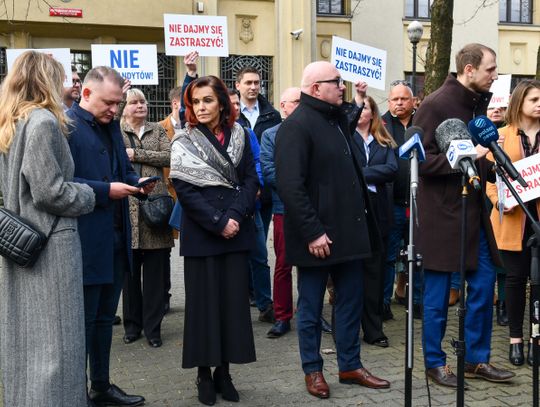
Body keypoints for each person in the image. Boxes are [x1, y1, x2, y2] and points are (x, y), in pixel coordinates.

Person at [275, 61, 390, 400]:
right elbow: (290, 185)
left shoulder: (336, 118)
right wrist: (312, 232)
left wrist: (357, 100)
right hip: (317, 239)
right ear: (315, 89)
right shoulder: (296, 126)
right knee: (310, 308)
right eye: (336, 82)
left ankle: (350, 365)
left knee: (350, 303)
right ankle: (313, 370)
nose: (342, 86)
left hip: (349, 235)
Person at [414, 43, 515, 387]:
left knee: (485, 286)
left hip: (475, 216)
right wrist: (468, 156)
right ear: (469, 69)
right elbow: (421, 162)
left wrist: (490, 165)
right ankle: (434, 362)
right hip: (443, 218)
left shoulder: (478, 107)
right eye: (490, 69)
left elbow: (475, 161)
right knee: (438, 297)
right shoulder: (434, 105)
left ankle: (476, 359)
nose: (495, 76)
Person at [0, 51, 95, 407]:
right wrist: (87, 194)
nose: (67, 84)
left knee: (27, 341)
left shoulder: (9, 123)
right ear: (46, 80)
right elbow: (49, 191)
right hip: (51, 245)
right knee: (59, 345)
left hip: (19, 243)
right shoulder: (42, 122)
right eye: (61, 77)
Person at [170, 75, 259, 406]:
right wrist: (219, 222)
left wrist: (235, 216)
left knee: (232, 307)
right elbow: (186, 190)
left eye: (207, 100)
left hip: (235, 232)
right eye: (195, 102)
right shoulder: (184, 141)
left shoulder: (241, 135)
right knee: (203, 309)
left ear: (222, 102)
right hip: (204, 235)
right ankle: (203, 374)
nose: (201, 107)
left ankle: (225, 371)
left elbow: (251, 179)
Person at [68, 66, 148, 406]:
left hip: (117, 241)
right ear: (86, 94)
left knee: (104, 322)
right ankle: (76, 392)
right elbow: (59, 185)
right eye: (109, 103)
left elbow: (124, 171)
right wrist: (106, 190)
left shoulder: (111, 127)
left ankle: (101, 386)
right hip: (85, 243)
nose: (114, 110)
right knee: (83, 324)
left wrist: (138, 184)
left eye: (118, 103)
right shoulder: (65, 127)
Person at [486, 79, 540, 366]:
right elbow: (487, 182)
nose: (539, 104)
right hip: (511, 220)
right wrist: (497, 201)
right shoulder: (501, 136)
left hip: (538, 221)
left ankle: (537, 338)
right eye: (534, 99)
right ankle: (516, 340)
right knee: (516, 281)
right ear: (520, 102)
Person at [121, 88, 173, 348]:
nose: (140, 105)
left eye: (143, 101)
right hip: (127, 209)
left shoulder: (157, 130)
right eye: (134, 102)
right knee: (130, 276)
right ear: (124, 106)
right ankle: (132, 326)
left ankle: (153, 329)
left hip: (155, 209)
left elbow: (170, 156)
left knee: (155, 276)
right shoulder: (116, 131)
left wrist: (138, 154)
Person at [353, 95, 398, 347]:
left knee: (374, 275)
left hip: (379, 215)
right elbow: (343, 171)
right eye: (357, 108)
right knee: (349, 277)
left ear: (373, 113)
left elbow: (391, 170)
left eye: (366, 108)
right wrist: (369, 176)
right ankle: (347, 331)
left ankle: (373, 330)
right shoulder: (346, 139)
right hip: (352, 215)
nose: (361, 112)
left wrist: (360, 174)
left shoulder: (384, 141)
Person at [260, 87, 301, 338]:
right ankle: (283, 316)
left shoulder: (313, 132)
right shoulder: (270, 135)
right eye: (295, 102)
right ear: (283, 106)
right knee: (283, 265)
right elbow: (268, 171)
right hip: (284, 207)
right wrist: (298, 188)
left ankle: (311, 314)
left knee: (312, 266)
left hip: (313, 209)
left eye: (302, 101)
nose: (299, 105)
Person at [381, 80, 423, 320]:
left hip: (418, 203)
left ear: (413, 101)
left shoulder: (422, 123)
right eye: (395, 99)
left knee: (417, 256)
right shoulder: (382, 125)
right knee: (388, 256)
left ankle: (416, 302)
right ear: (389, 102)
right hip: (392, 204)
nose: (399, 103)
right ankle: (384, 303)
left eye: (403, 99)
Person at [235, 66, 281, 237]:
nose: (253, 87)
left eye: (256, 83)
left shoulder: (272, 115)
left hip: (265, 190)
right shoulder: (230, 114)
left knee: (260, 240)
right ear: (238, 85)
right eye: (248, 83)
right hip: (240, 188)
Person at [487, 103, 509, 326]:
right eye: (491, 107)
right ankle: (485, 300)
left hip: (505, 204)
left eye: (500, 107)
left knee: (503, 259)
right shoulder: (476, 135)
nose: (495, 111)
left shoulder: (512, 133)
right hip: (483, 202)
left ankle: (503, 302)